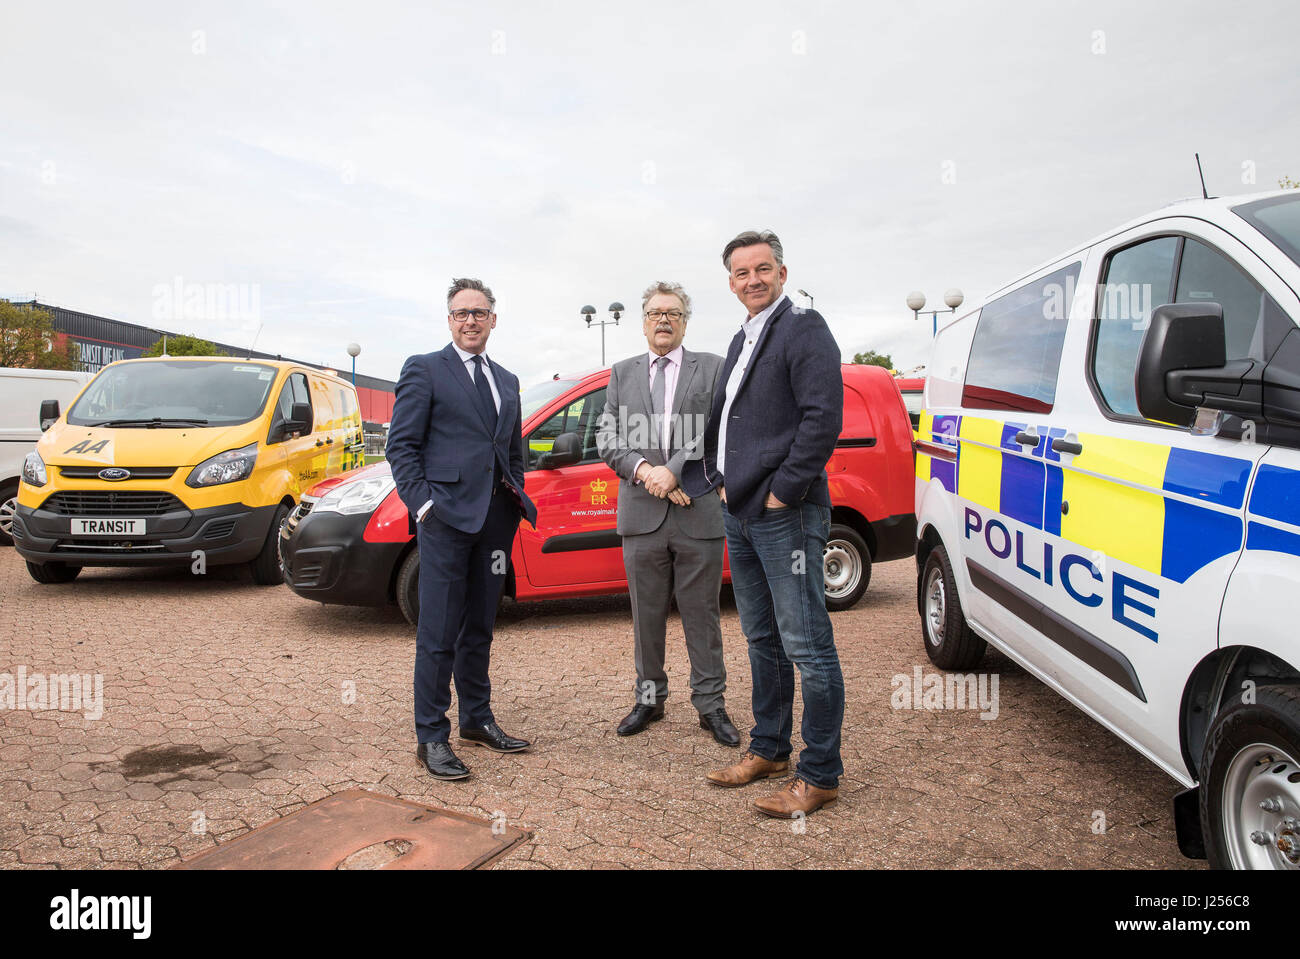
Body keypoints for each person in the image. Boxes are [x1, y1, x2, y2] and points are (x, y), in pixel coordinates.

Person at [682, 230, 846, 818]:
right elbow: (729, 418)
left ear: (781, 271)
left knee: (807, 644)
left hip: (785, 512)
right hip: (738, 507)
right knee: (762, 638)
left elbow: (823, 418)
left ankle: (820, 773)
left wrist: (783, 492)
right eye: (741, 272)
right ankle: (770, 749)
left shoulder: (804, 326)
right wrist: (716, 478)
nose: (752, 280)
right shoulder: (743, 335)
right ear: (729, 281)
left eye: (762, 269)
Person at [386, 277, 539, 781]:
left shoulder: (508, 379)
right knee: (438, 631)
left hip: (495, 521)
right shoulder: (425, 369)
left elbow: (511, 450)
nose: (470, 320)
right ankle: (431, 736)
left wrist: (514, 498)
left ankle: (477, 719)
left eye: (479, 312)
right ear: (449, 320)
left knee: (480, 626)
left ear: (494, 318)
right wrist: (424, 506)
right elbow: (401, 447)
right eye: (460, 313)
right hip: (446, 520)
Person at [595, 281, 738, 747]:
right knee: (646, 615)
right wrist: (644, 471)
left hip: (698, 513)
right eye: (656, 312)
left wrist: (673, 471)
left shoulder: (714, 368)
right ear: (642, 323)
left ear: (684, 321)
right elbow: (607, 435)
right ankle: (649, 700)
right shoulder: (621, 373)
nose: (663, 320)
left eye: (673, 313)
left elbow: (719, 432)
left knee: (703, 616)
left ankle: (711, 705)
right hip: (641, 516)